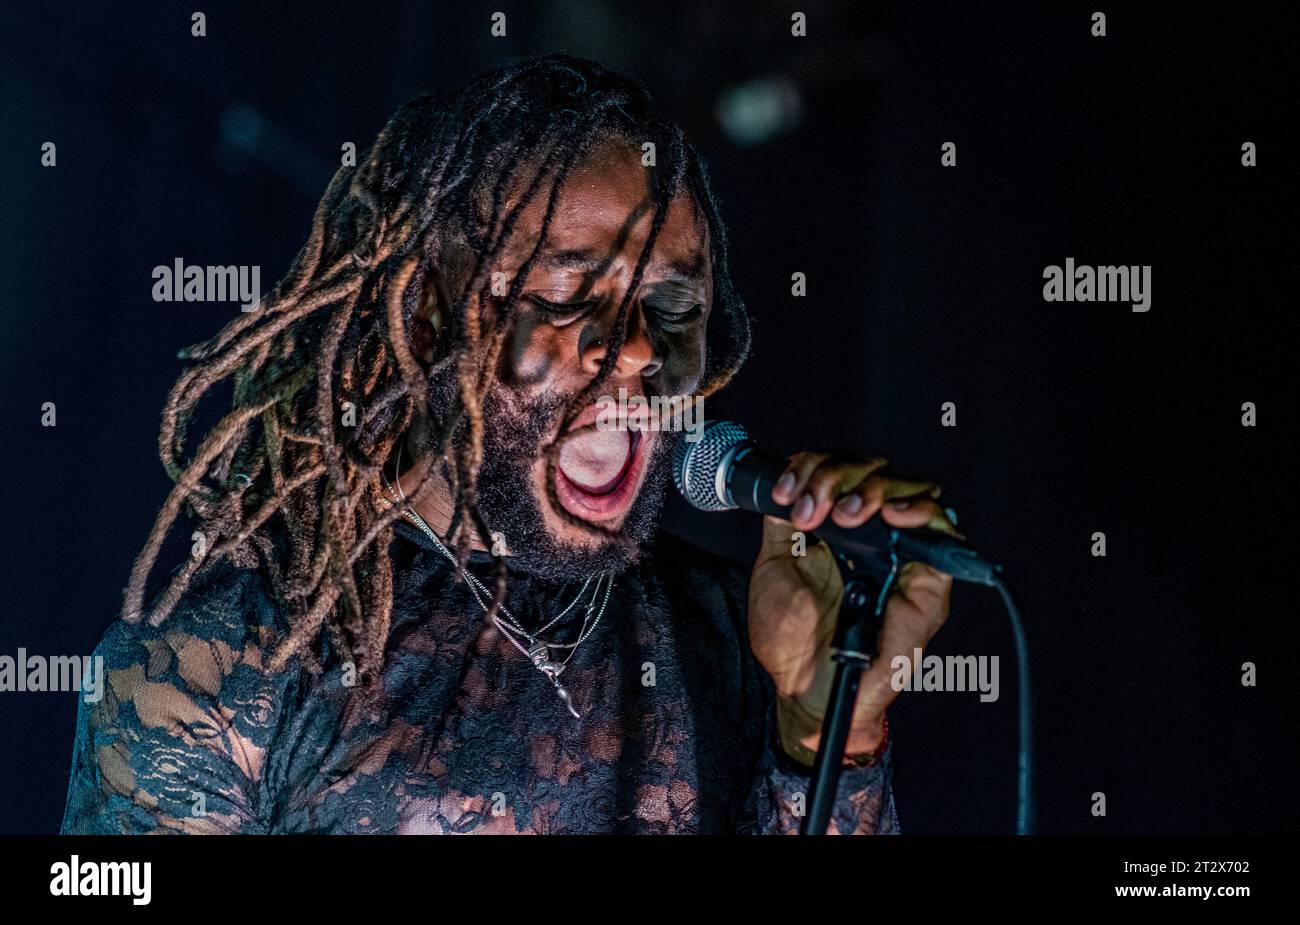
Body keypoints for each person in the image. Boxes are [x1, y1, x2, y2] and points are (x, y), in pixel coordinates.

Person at [61, 55, 956, 834]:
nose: (641, 347)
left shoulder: (741, 639)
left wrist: (826, 728)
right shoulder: (220, 663)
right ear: (431, 315)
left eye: (673, 306)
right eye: (571, 291)